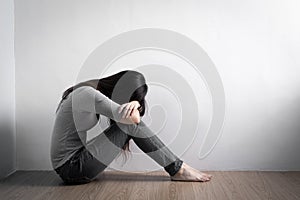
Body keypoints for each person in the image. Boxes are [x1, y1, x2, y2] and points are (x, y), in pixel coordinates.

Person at [50, 70, 212, 185]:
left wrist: (135, 105)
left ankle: (177, 168)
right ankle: (177, 169)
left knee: (128, 124)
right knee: (128, 125)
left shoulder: (87, 92)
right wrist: (135, 104)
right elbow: (133, 119)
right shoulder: (86, 94)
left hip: (74, 164)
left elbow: (132, 116)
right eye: (129, 99)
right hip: (71, 168)